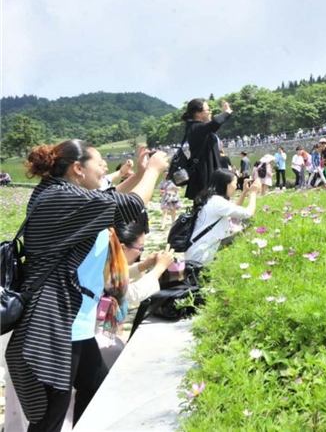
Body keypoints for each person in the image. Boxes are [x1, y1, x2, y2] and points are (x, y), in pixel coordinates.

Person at [6, 139, 166, 431]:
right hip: (52, 324)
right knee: (49, 418)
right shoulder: (59, 198)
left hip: (74, 321)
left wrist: (139, 174)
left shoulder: (64, 194)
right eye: (99, 161)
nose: (105, 166)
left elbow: (111, 199)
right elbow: (129, 205)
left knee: (95, 387)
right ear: (78, 168)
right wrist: (154, 170)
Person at [185, 170, 260, 265]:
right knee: (245, 226)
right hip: (202, 254)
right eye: (235, 183)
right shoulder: (218, 202)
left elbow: (233, 208)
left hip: (195, 249)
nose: (236, 187)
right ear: (226, 184)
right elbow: (248, 213)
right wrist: (253, 194)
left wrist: (244, 192)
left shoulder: (212, 198)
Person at [182, 98, 232, 202]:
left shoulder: (199, 128)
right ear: (198, 113)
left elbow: (213, 125)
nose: (210, 112)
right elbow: (215, 123)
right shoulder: (195, 128)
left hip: (208, 174)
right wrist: (226, 112)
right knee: (204, 209)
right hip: (203, 176)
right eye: (208, 110)